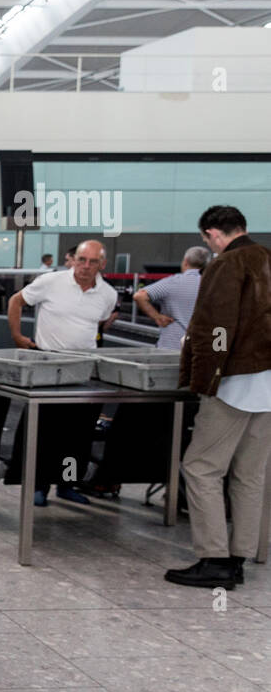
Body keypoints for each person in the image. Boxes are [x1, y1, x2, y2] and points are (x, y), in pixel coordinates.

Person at [166, 206, 271, 590]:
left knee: (201, 467)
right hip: (269, 385)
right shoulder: (266, 257)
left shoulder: (227, 264)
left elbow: (216, 326)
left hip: (236, 383)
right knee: (250, 474)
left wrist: (204, 377)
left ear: (211, 234)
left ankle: (214, 559)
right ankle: (238, 559)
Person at [9, 239, 117, 506]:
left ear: (102, 265)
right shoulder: (51, 282)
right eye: (82, 260)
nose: (86, 266)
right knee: (45, 430)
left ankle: (67, 483)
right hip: (48, 365)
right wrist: (17, 336)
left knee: (77, 433)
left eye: (93, 262)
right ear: (74, 259)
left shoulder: (108, 294)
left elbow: (98, 321)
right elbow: (16, 301)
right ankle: (39, 485)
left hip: (85, 368)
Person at [132, 246, 209, 351]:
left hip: (171, 348)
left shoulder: (173, 282)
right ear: (206, 265)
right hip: (199, 350)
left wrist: (157, 317)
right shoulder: (212, 285)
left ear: (185, 262)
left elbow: (139, 296)